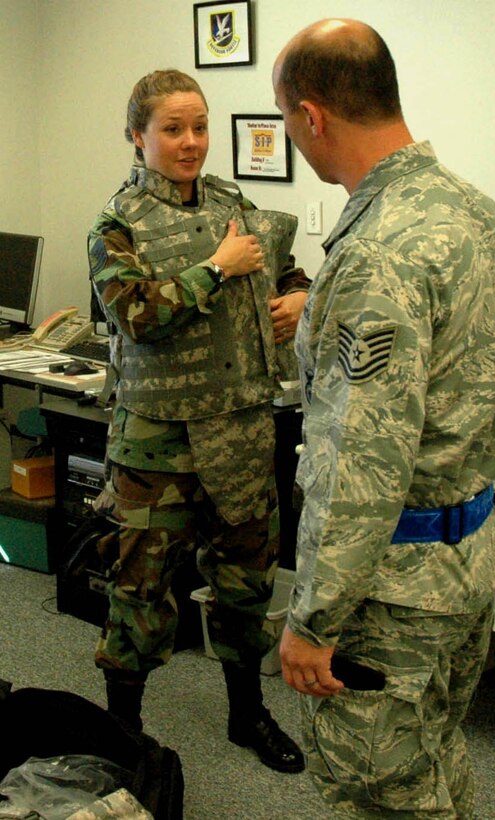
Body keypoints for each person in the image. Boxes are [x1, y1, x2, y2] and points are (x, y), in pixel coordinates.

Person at [272, 18, 495, 816]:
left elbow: (359, 462)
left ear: (311, 117)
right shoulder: (469, 209)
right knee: (436, 757)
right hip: (466, 563)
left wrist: (312, 619)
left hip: (388, 595)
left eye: (286, 122)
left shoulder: (378, 250)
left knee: (380, 794)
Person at [87, 68, 309, 774]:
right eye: (173, 129)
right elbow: (136, 316)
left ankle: (247, 713)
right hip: (158, 443)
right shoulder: (116, 224)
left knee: (245, 585)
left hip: (241, 431)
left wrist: (296, 299)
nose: (191, 143)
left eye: (200, 127)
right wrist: (215, 268)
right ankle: (124, 736)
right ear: (137, 135)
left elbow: (287, 268)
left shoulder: (232, 205)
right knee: (140, 594)